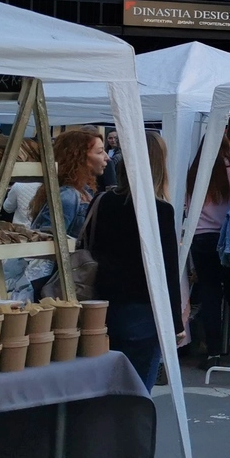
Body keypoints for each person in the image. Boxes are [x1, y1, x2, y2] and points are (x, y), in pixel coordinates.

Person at [85, 130, 184, 392]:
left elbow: (87, 246)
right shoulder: (159, 210)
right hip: (142, 308)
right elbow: (168, 271)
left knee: (103, 386)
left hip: (100, 304)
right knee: (137, 391)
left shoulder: (102, 201)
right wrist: (175, 322)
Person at [185, 129, 230, 365]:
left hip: (202, 237)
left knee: (210, 295)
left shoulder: (195, 172)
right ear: (227, 146)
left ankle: (213, 352)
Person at [23, 128, 108, 298]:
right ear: (80, 157)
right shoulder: (69, 195)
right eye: (99, 152)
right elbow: (44, 240)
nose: (107, 157)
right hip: (59, 283)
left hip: (70, 279)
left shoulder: (83, 191)